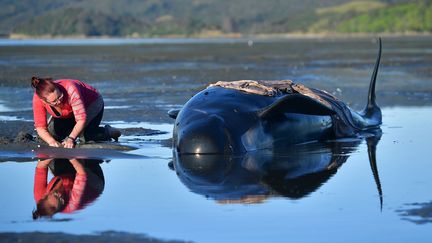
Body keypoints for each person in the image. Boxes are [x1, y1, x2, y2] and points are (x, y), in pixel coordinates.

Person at [31, 77, 121, 148]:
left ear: (58, 88)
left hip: (91, 103)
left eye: (60, 96)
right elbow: (41, 128)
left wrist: (71, 138)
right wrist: (51, 141)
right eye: (54, 101)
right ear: (45, 102)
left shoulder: (71, 89)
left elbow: (81, 120)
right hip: (67, 113)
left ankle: (108, 131)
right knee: (52, 136)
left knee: (85, 137)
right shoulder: (38, 99)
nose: (59, 102)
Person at [32, 158, 105, 219]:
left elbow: (41, 167)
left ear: (45, 195)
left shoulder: (39, 195)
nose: (59, 194)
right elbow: (81, 173)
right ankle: (94, 160)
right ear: (63, 203)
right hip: (93, 185)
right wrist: (70, 155)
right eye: (60, 199)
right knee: (81, 159)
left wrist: (53, 152)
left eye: (55, 194)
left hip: (66, 176)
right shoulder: (72, 204)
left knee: (51, 160)